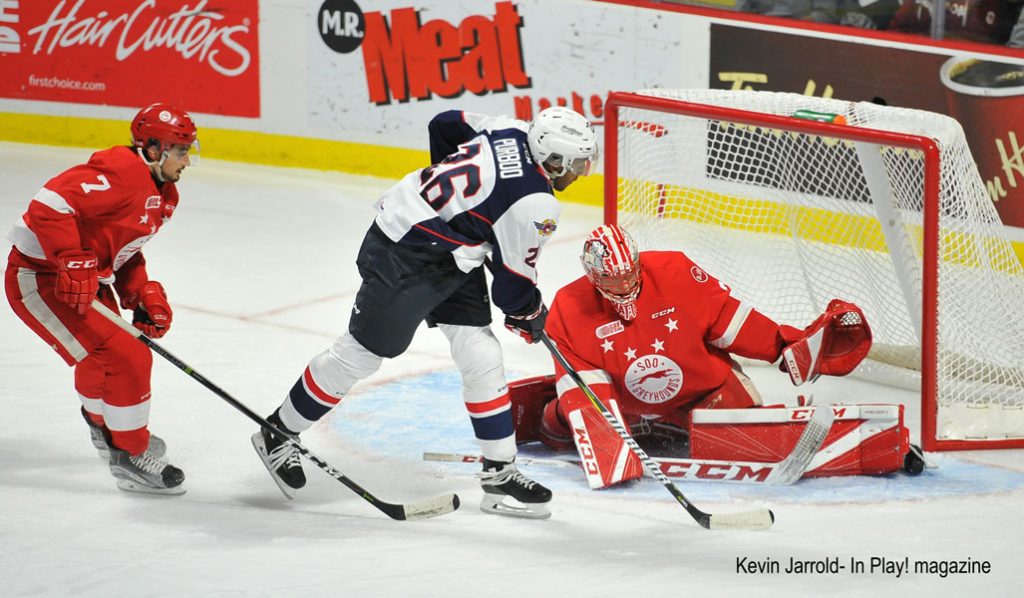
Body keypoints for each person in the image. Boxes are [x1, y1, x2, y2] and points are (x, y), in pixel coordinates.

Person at [251, 106, 599, 519]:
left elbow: (446, 122)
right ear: (553, 159)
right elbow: (513, 291)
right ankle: (277, 432)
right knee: (360, 355)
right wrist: (530, 312)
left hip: (452, 250)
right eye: (577, 164)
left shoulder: (508, 128)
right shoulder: (535, 203)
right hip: (405, 249)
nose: (581, 173)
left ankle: (499, 473)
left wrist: (461, 207)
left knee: (481, 352)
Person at [520, 224, 879, 489]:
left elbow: (728, 320)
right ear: (593, 276)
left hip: (700, 390)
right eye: (614, 281)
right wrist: (611, 454)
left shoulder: (675, 272)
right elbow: (586, 387)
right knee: (561, 421)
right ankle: (559, 416)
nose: (625, 286)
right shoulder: (569, 308)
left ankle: (673, 424)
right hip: (625, 406)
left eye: (630, 275)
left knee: (738, 423)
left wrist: (783, 346)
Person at [5, 103, 199, 494]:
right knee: (129, 356)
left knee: (102, 359)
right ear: (153, 149)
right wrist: (68, 255)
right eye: (180, 151)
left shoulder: (164, 194)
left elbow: (123, 250)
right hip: (39, 278)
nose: (187, 161)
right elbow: (49, 205)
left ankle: (106, 429)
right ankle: (129, 455)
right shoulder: (121, 171)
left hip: (84, 281)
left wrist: (139, 292)